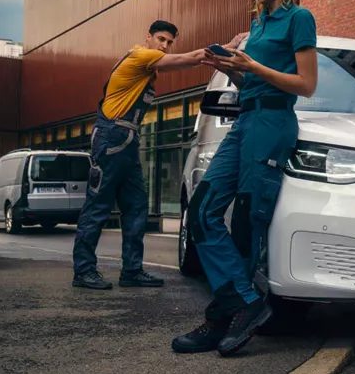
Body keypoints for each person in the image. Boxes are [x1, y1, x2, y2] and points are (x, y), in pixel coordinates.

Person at [172, 0, 318, 356]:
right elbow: (248, 81)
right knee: (202, 211)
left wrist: (252, 64)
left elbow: (307, 84)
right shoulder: (256, 26)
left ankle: (222, 317)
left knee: (247, 223)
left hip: (273, 122)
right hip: (245, 119)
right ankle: (246, 303)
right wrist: (231, 68)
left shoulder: (299, 18)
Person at [72, 21, 242, 290]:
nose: (164, 46)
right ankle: (83, 271)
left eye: (169, 42)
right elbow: (186, 59)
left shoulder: (149, 66)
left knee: (137, 206)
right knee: (98, 206)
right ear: (148, 38)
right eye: (161, 39)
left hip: (126, 139)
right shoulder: (141, 56)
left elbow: (182, 60)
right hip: (111, 136)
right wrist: (228, 47)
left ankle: (132, 271)